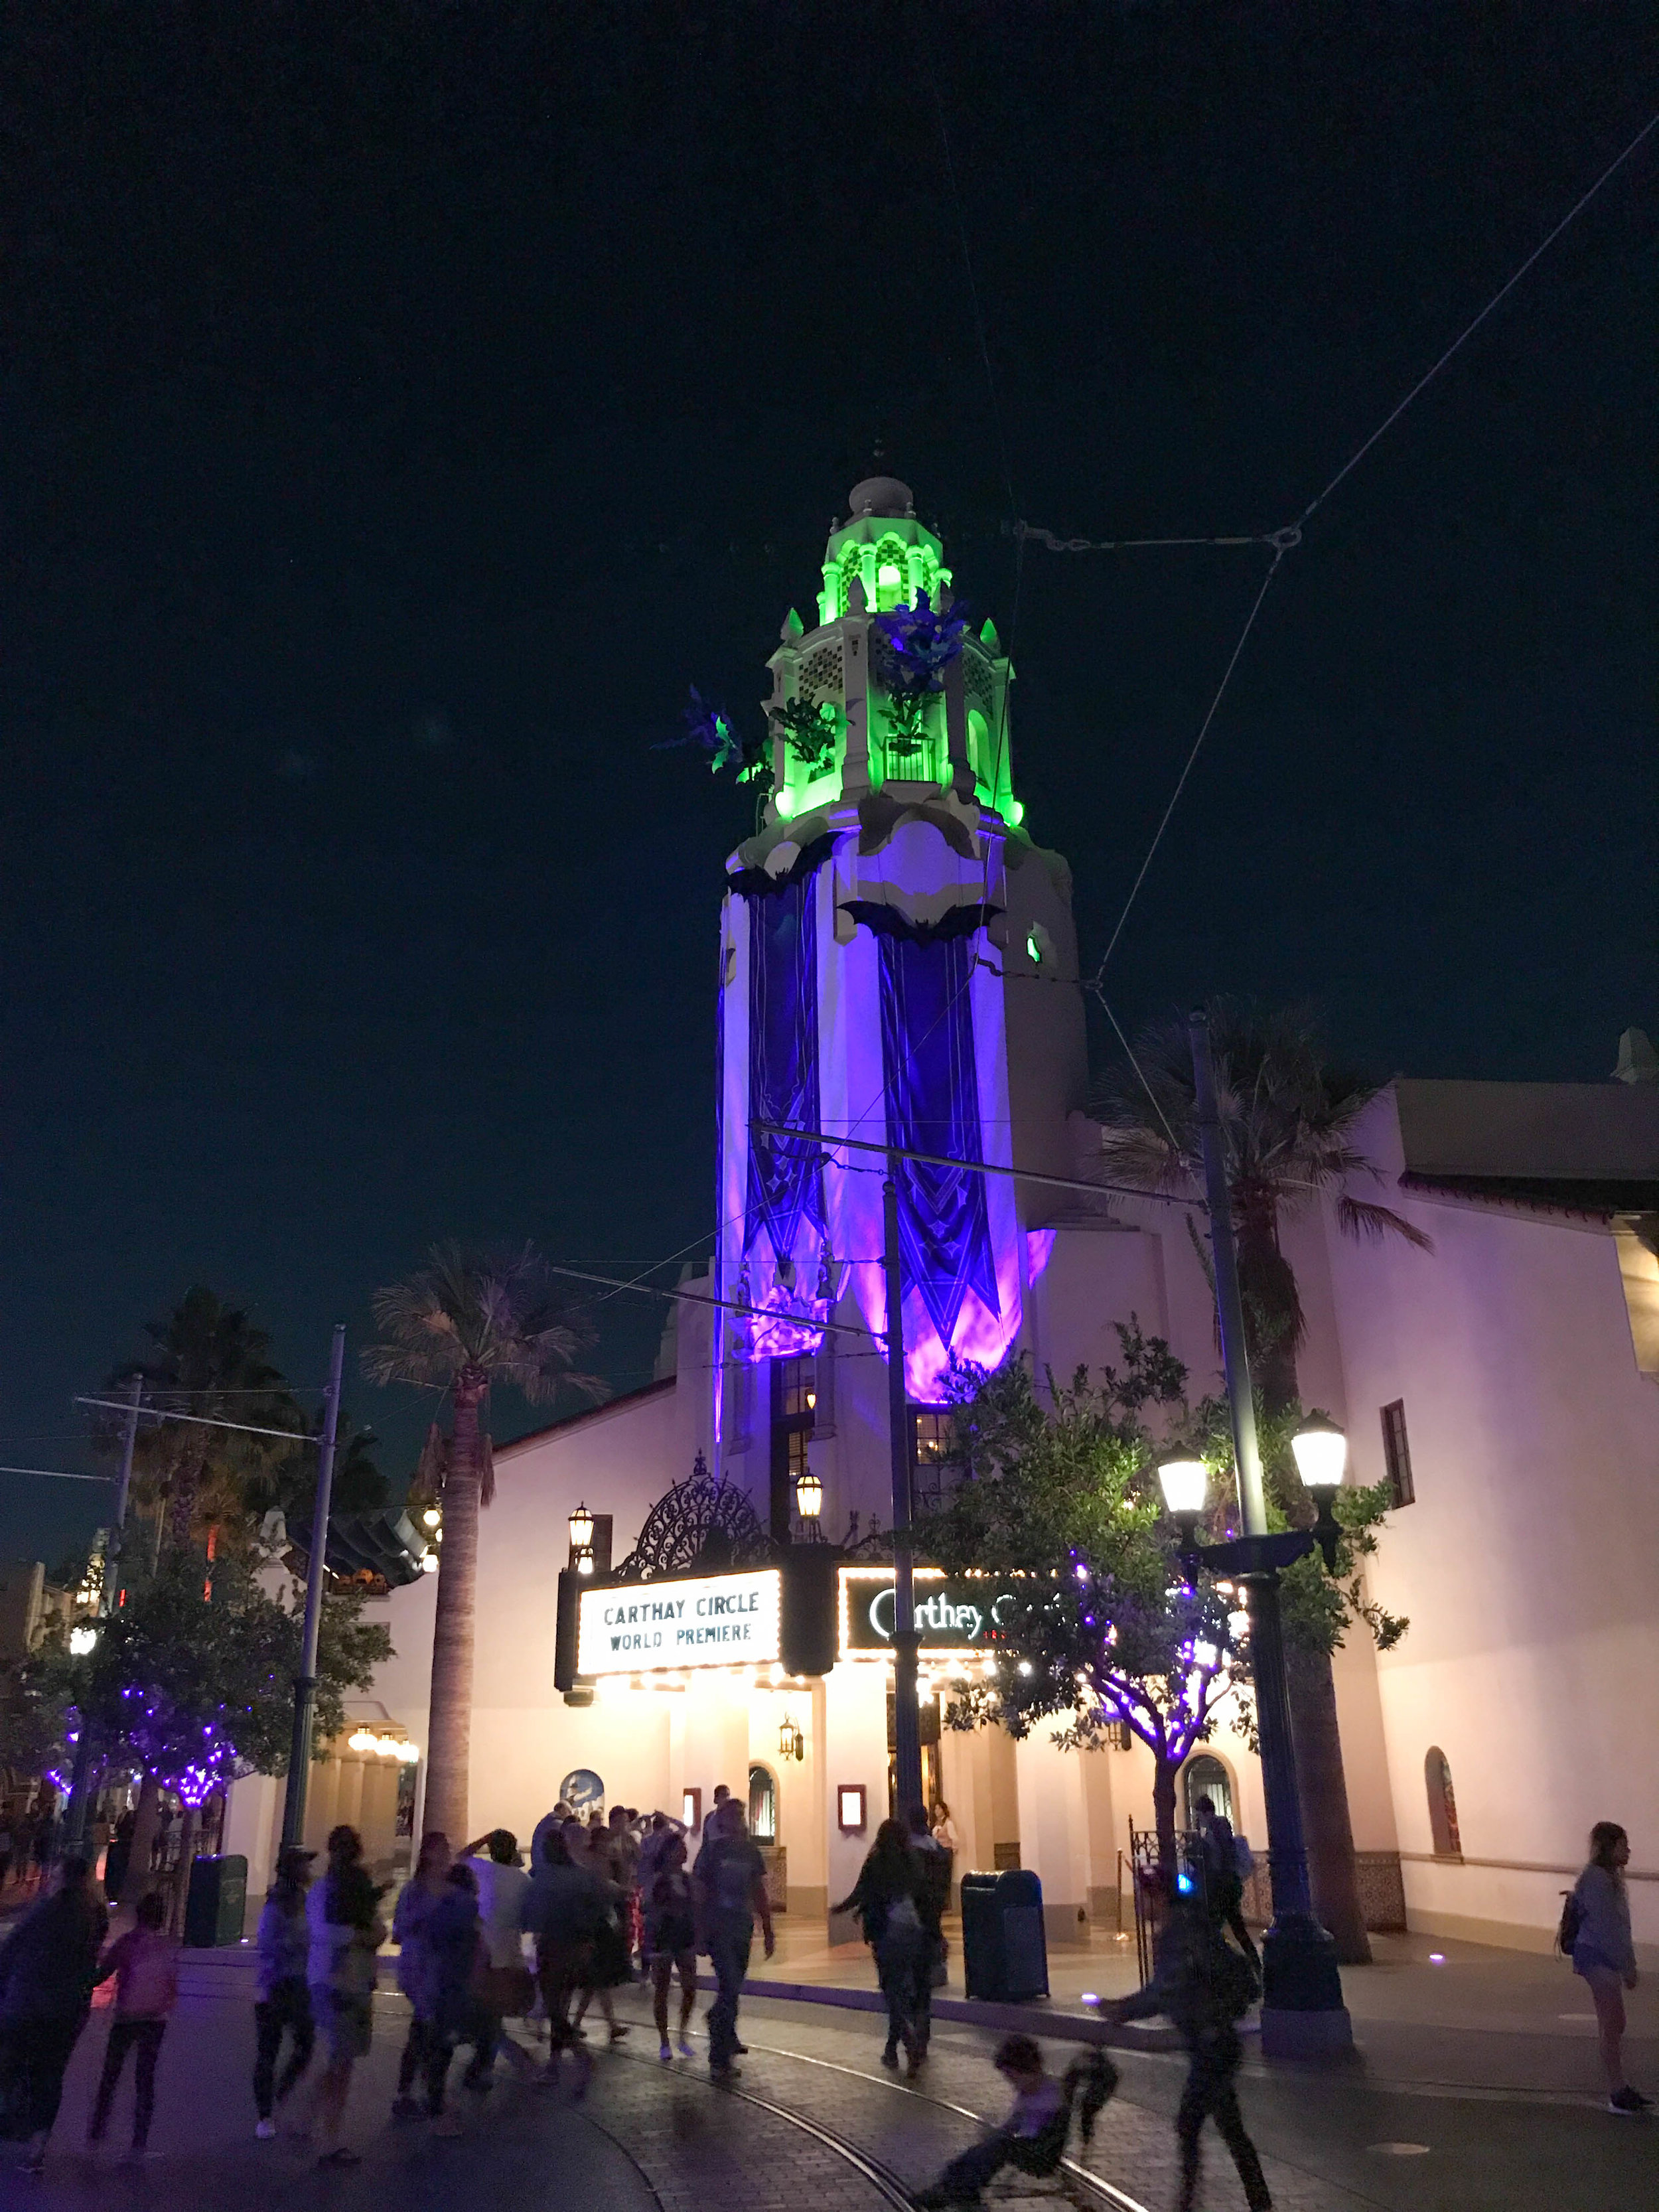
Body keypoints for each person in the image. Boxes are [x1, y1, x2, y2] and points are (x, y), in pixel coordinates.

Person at [1094, 1876, 1269, 2212]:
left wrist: (1122, 2010)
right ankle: (1258, 2201)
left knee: (1190, 2123)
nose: (1137, 1905)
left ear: (1157, 1896)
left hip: (1211, 2043)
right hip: (1215, 2040)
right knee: (1229, 2127)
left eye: (1141, 1897)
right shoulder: (1190, 1925)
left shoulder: (1177, 1935)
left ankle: (1189, 2204)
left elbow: (1167, 1990)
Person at [911, 2034, 1118, 2209]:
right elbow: (1017, 2125)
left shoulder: (1050, 2096)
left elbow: (1032, 2130)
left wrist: (1003, 2133)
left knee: (997, 2145)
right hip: (1028, 2147)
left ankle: (954, 2191)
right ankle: (950, 2186)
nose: (1012, 2084)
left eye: (1013, 2077)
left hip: (1038, 2153)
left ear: (1028, 2071)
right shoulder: (1034, 2091)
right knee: (986, 2148)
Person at [0, 1855, 109, 2174]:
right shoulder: (95, 1916)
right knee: (51, 2073)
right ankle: (38, 2145)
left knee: (10, 2060)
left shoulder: (47, 1910)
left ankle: (13, 2118)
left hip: (28, 2002)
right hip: (67, 2008)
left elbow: (13, 1947)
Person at [303, 1824, 386, 2167]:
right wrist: (361, 1936)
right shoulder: (349, 1888)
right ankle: (327, 2137)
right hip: (347, 1981)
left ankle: (308, 2117)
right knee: (341, 2062)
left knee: (339, 2058)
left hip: (330, 1979)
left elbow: (323, 1931)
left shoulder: (326, 1889)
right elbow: (373, 1931)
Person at [86, 1891, 177, 2157]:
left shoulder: (127, 1942)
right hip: (155, 2020)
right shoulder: (166, 1945)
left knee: (111, 2074)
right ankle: (140, 2140)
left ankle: (98, 2129)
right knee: (145, 2078)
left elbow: (102, 1974)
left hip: (127, 2017)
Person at [837, 1818, 932, 2071]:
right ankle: (892, 2048)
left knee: (890, 1990)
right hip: (912, 1928)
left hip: (886, 1931)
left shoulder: (876, 1861)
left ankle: (908, 2039)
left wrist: (840, 1909)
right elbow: (924, 1895)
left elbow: (860, 1892)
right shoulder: (912, 1861)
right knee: (902, 1988)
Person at [1568, 1820, 1648, 2113]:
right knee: (1612, 2024)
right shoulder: (1598, 1880)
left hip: (1603, 1956)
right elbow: (1607, 1930)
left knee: (1615, 2023)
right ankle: (1617, 2092)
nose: (1628, 1850)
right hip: (1597, 1956)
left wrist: (1628, 1963)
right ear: (1609, 1847)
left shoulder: (1608, 1877)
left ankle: (1620, 2087)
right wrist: (1627, 1967)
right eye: (1623, 1845)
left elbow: (1619, 1927)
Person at [693, 1799, 773, 2078]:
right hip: (719, 1926)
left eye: (741, 1814)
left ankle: (725, 2030)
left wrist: (768, 1926)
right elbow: (700, 1891)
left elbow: (758, 1889)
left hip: (742, 1925)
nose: (739, 1819)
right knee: (729, 1982)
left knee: (735, 1982)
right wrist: (700, 1931)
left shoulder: (750, 1851)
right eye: (733, 1814)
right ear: (722, 1819)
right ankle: (718, 2053)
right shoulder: (711, 1851)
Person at [524, 1826, 605, 2091]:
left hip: (553, 1947)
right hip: (580, 1947)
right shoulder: (582, 1876)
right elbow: (598, 1907)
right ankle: (555, 2062)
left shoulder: (543, 1878)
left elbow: (531, 1916)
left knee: (554, 2008)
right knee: (562, 2005)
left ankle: (578, 2055)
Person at [459, 1830, 535, 2085]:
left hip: (482, 1953)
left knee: (487, 2012)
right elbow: (527, 1920)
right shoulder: (523, 1881)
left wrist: (483, 1839)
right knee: (494, 2013)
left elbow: (460, 1856)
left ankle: (486, 2064)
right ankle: (488, 2064)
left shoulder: (481, 1870)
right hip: (509, 1953)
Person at [412, 1863, 483, 2135]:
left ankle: (434, 2101)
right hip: (453, 1984)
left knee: (437, 2046)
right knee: (445, 2047)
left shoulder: (439, 1906)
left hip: (437, 1980)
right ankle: (438, 2108)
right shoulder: (467, 1908)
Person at [253, 1846, 315, 2137]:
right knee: (269, 2051)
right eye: (304, 1865)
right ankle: (265, 2115)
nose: (309, 1871)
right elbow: (267, 1944)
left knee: (305, 2045)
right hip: (277, 1985)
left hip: (299, 1983)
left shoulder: (304, 1900)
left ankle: (278, 2096)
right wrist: (300, 1943)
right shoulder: (278, 1903)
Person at [392, 1832, 453, 2119]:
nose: (446, 1854)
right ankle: (421, 2091)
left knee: (425, 2028)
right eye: (442, 1849)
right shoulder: (416, 1890)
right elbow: (403, 1928)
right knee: (426, 2028)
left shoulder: (445, 1886)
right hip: (420, 1964)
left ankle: (415, 2089)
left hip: (436, 1964)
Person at [571, 1820, 631, 2044]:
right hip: (595, 1923)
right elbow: (603, 1887)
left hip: (601, 1921)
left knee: (596, 1980)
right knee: (596, 1978)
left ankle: (583, 2024)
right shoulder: (592, 1862)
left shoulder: (600, 1860)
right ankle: (581, 2024)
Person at [643, 1832, 698, 2061]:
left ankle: (682, 2034)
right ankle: (664, 2040)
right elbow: (649, 1906)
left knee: (690, 1987)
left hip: (684, 1936)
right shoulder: (658, 1880)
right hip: (663, 1937)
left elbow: (695, 1906)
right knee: (662, 1989)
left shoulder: (687, 1879)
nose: (684, 1851)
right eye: (679, 1848)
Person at [1194, 1795, 1259, 1967]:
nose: (1198, 1819)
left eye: (1199, 1815)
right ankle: (1252, 1964)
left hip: (1223, 1886)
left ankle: (1236, 1965)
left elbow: (1218, 1857)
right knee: (1235, 1928)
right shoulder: (1218, 1827)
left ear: (1206, 1813)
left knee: (1219, 1927)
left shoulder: (1216, 1827)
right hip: (1228, 1885)